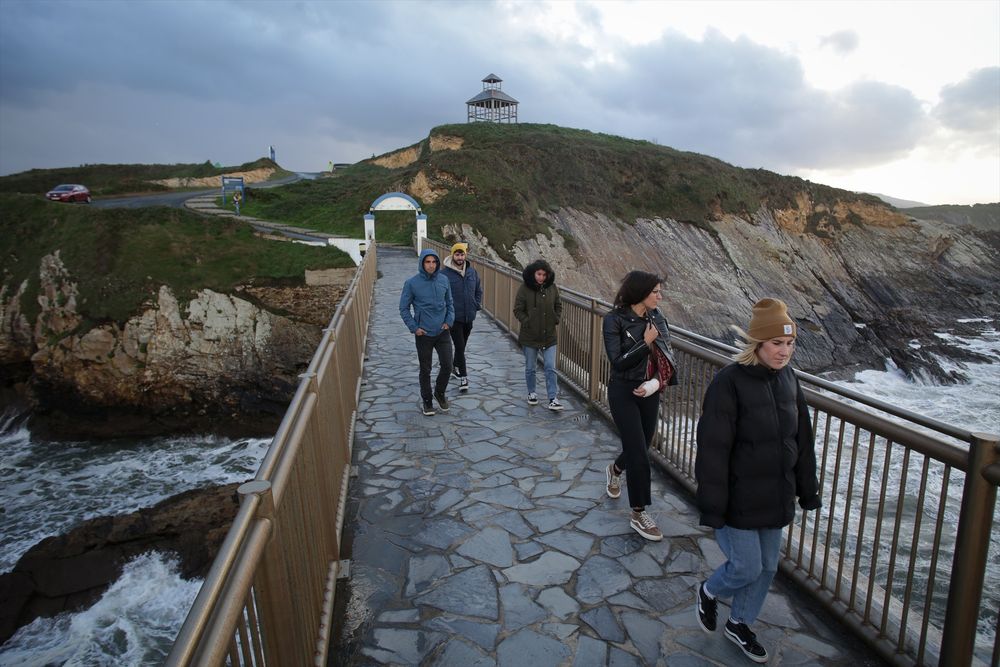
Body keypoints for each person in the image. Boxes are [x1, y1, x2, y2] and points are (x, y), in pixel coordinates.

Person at [694, 298, 821, 664]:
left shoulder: (789, 380)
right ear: (757, 344)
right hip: (738, 497)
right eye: (777, 343)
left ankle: (740, 623)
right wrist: (712, 504)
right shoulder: (728, 383)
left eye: (790, 343)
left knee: (767, 567)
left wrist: (807, 490)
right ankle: (709, 590)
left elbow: (803, 440)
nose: (785, 351)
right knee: (746, 567)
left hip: (775, 493)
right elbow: (713, 449)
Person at [602, 271, 678, 541]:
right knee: (639, 454)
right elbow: (618, 361)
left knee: (641, 446)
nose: (660, 296)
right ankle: (639, 513)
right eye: (655, 291)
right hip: (623, 390)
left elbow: (668, 359)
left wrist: (654, 384)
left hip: (649, 391)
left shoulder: (658, 318)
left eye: (660, 291)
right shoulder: (614, 320)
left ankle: (615, 470)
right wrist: (644, 344)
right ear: (640, 293)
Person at [399, 249, 455, 416]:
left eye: (434, 262)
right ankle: (427, 400)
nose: (431, 265)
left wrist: (449, 321)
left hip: (442, 332)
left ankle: (439, 392)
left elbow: (450, 303)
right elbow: (403, 308)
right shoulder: (411, 283)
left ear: (437, 263)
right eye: (427, 262)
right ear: (422, 263)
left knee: (447, 365)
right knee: (426, 369)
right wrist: (414, 328)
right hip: (423, 334)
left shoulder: (444, 280)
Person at [513, 259, 563, 411]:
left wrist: (556, 318)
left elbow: (558, 305)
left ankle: (553, 398)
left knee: (550, 366)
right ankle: (532, 392)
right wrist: (527, 321)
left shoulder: (552, 288)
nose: (541, 277)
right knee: (530, 367)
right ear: (533, 273)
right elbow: (518, 310)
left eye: (544, 274)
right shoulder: (524, 289)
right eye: (539, 274)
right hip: (530, 336)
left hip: (549, 336)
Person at [442, 242, 483, 392]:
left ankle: (454, 366)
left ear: (466, 255)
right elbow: (442, 296)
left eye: (462, 254)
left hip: (469, 316)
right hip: (454, 317)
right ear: (452, 255)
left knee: (462, 346)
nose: (460, 257)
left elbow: (478, 290)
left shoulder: (472, 272)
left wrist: (476, 304)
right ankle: (463, 377)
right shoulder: (444, 274)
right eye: (457, 254)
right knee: (459, 346)